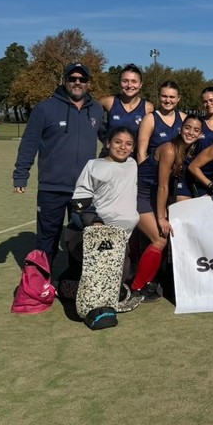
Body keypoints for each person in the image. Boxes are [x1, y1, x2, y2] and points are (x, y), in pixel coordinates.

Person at [13, 62, 104, 261]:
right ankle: (41, 278)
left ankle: (74, 279)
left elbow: (111, 141)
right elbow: (29, 143)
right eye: (73, 79)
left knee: (80, 241)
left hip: (84, 189)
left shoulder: (97, 110)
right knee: (47, 241)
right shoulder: (45, 108)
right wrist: (21, 174)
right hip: (51, 188)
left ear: (88, 83)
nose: (77, 82)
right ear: (65, 81)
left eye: (82, 79)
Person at [129, 115, 203, 303]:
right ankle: (137, 287)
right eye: (188, 127)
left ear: (200, 134)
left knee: (163, 238)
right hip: (140, 194)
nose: (191, 132)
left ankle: (149, 282)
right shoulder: (170, 150)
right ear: (180, 128)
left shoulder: (186, 150)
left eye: (196, 130)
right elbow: (163, 186)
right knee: (159, 239)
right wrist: (161, 217)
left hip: (152, 194)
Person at [69, 127, 140, 315]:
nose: (123, 147)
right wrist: (94, 221)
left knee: (121, 272)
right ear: (108, 143)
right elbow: (80, 201)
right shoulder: (94, 165)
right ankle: (72, 291)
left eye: (128, 144)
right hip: (101, 232)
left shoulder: (133, 164)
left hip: (124, 235)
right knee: (98, 277)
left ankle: (110, 298)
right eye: (118, 142)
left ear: (133, 148)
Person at [97, 64, 154, 155]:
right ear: (120, 82)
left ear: (140, 85)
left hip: (133, 159)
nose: (129, 85)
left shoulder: (148, 107)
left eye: (134, 81)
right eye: (125, 81)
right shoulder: (108, 102)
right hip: (108, 157)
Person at [137, 80, 183, 164]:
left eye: (172, 97)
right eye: (164, 96)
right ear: (159, 96)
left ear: (178, 98)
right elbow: (141, 153)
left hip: (178, 170)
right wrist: (143, 170)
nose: (167, 100)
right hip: (154, 169)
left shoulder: (184, 118)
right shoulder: (149, 119)